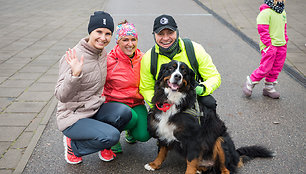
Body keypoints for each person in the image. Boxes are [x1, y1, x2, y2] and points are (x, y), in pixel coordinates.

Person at [54, 11, 131, 164]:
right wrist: (74, 75)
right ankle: (74, 147)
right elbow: (61, 95)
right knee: (112, 136)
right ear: (90, 31)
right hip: (73, 117)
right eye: (99, 32)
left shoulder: (101, 54)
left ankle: (104, 145)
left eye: (108, 33)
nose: (103, 38)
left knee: (125, 112)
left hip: (94, 109)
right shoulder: (73, 56)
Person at [139, 14, 221, 111]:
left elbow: (214, 77)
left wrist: (203, 88)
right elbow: (146, 88)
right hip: (163, 101)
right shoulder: (148, 58)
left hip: (189, 97)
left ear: (177, 32)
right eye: (160, 34)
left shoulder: (194, 49)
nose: (165, 38)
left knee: (209, 103)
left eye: (170, 33)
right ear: (154, 35)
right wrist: (158, 104)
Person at [102, 20, 150, 153]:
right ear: (118, 41)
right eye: (125, 40)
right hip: (115, 106)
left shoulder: (144, 58)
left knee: (144, 135)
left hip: (136, 103)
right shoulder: (108, 60)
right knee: (130, 117)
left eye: (133, 39)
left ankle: (131, 131)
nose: (130, 44)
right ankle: (113, 135)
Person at [243, 0, 288, 99]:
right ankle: (250, 81)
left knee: (277, 67)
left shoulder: (282, 12)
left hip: (281, 44)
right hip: (270, 46)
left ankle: (269, 87)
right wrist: (269, 45)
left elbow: (283, 28)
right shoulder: (265, 12)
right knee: (266, 67)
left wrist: (285, 39)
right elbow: (262, 30)